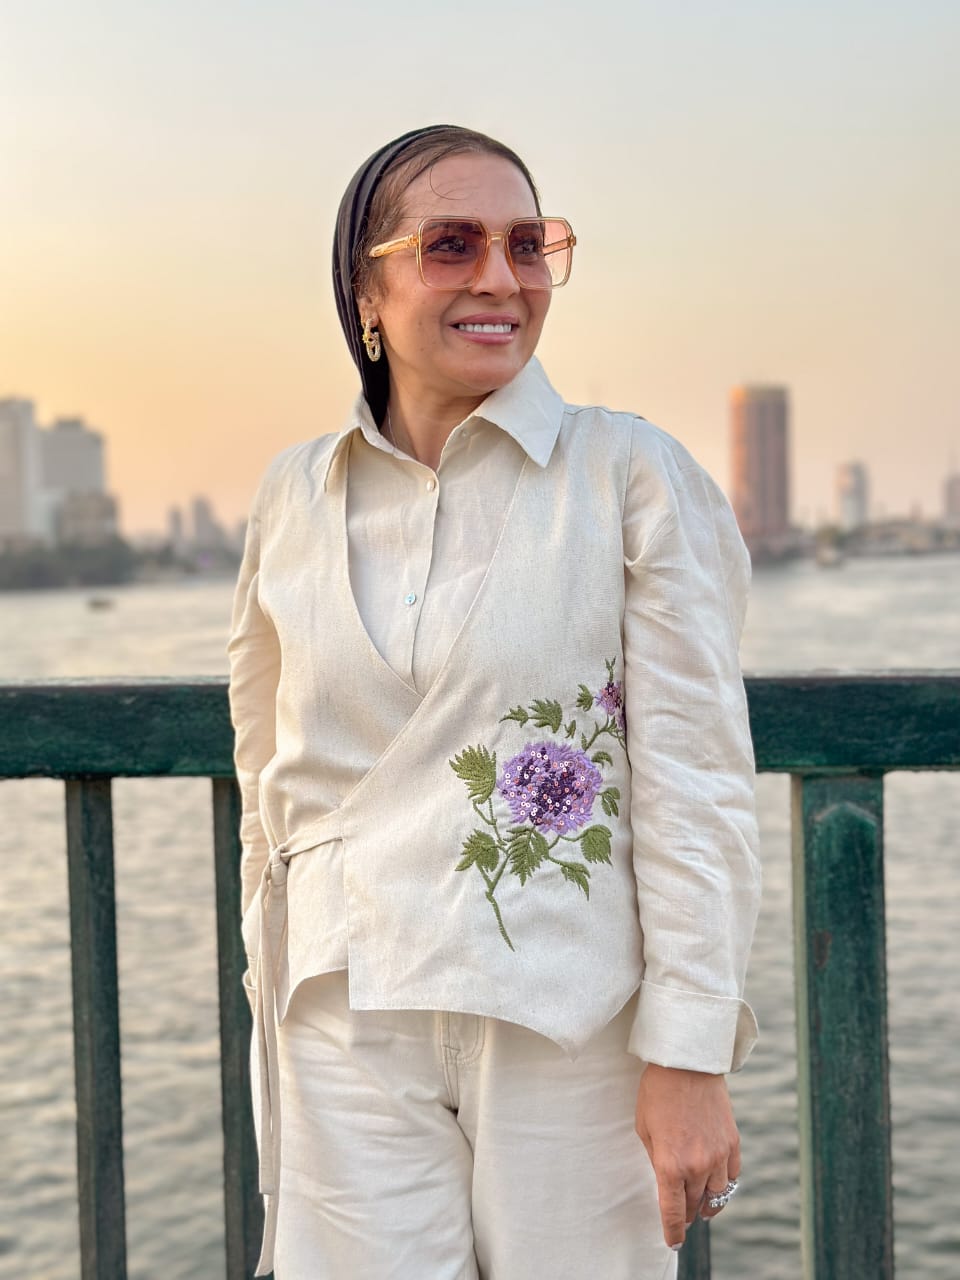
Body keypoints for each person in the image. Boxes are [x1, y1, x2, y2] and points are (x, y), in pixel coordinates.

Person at [228, 123, 761, 1280]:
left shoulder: (628, 474)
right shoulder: (292, 499)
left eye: (530, 244)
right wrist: (277, 1000)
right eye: (452, 245)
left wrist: (690, 1047)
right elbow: (268, 786)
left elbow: (697, 774)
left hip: (567, 1018)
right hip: (346, 1017)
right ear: (365, 288)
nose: (501, 279)